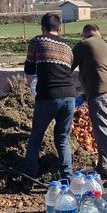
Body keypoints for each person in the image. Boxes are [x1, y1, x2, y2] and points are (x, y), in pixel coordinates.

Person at [71, 24, 107, 185]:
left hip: (100, 95)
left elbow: (66, 67)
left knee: (103, 133)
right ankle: (103, 168)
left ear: (84, 34)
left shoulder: (84, 44)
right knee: (101, 132)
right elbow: (101, 73)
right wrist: (85, 95)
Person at [23, 13, 76, 182]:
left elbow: (29, 69)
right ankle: (68, 177)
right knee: (62, 138)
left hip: (48, 96)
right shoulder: (68, 47)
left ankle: (29, 178)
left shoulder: (37, 41)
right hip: (69, 96)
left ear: (42, 28)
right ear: (59, 28)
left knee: (36, 137)